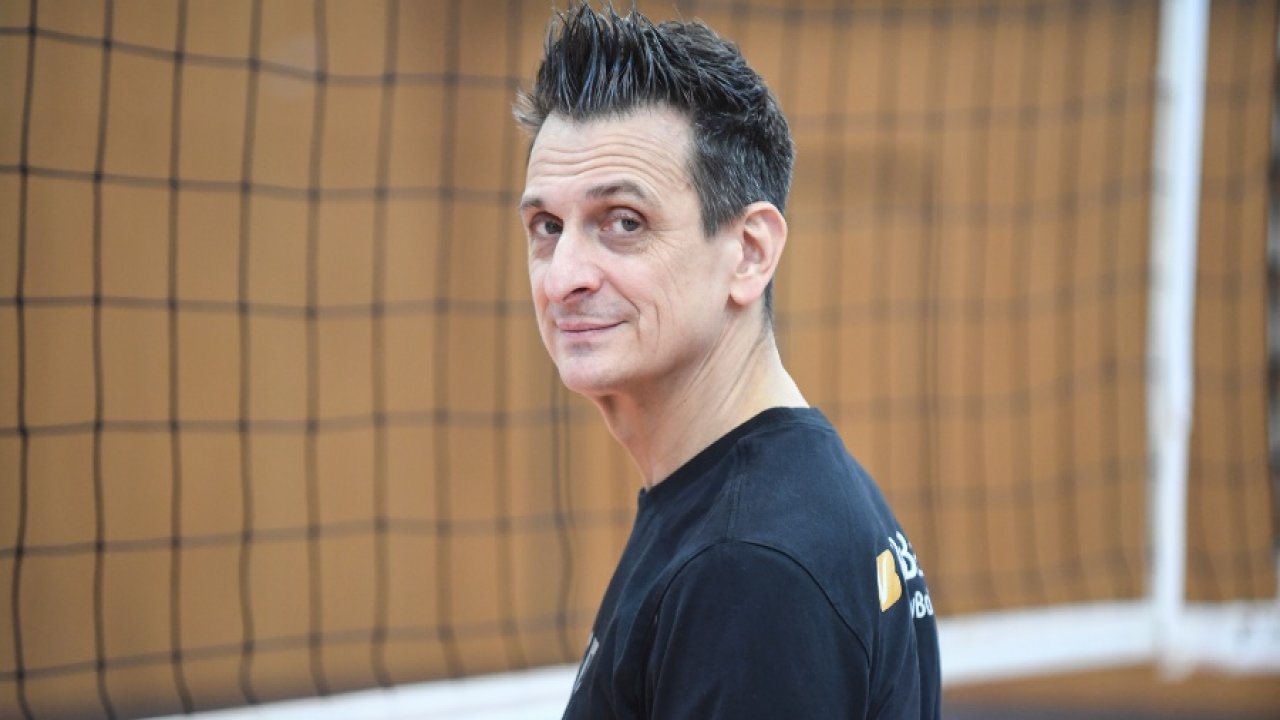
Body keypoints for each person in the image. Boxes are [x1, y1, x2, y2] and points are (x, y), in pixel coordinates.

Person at [514, 3, 940, 718]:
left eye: (624, 222)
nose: (563, 278)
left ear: (749, 253)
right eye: (547, 226)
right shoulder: (768, 500)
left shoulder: (749, 566)